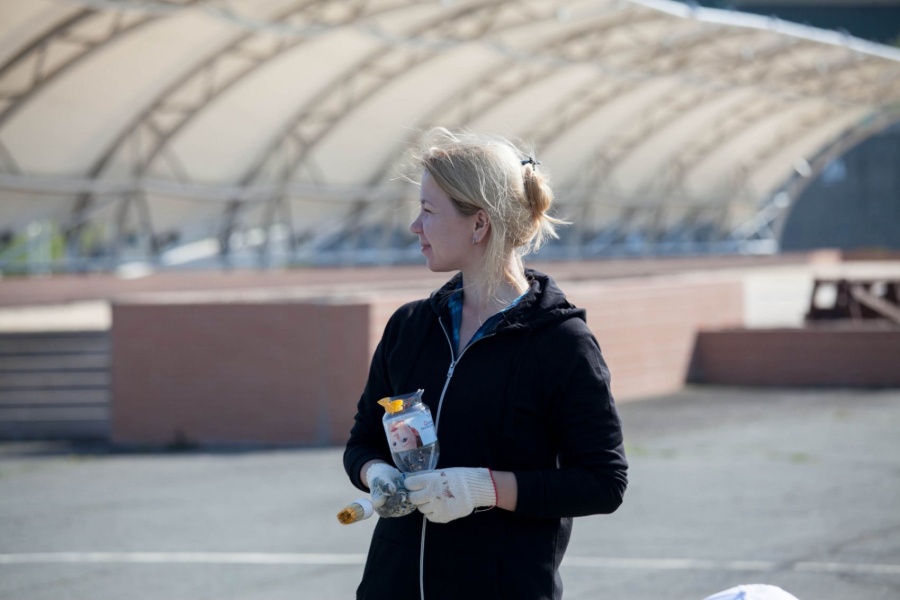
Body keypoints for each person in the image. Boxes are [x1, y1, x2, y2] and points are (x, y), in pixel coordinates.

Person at [343, 127, 628, 600]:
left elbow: (603, 482)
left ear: (479, 224)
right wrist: (375, 473)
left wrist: (485, 488)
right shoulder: (409, 327)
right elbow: (362, 442)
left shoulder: (562, 343)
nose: (414, 226)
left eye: (428, 211)